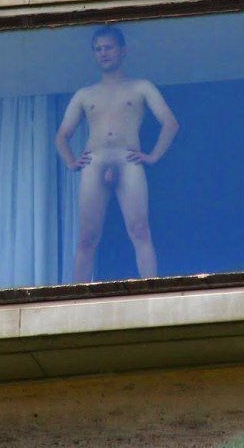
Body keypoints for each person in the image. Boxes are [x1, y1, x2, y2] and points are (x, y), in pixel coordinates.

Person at [55, 25, 179, 283]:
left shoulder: (141, 86)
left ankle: (151, 290)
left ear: (122, 51)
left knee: (140, 230)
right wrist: (71, 162)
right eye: (98, 49)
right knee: (87, 237)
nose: (103, 53)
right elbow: (62, 135)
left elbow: (170, 123)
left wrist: (153, 156)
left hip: (127, 159)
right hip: (94, 160)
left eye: (108, 48)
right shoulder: (84, 94)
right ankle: (76, 296)